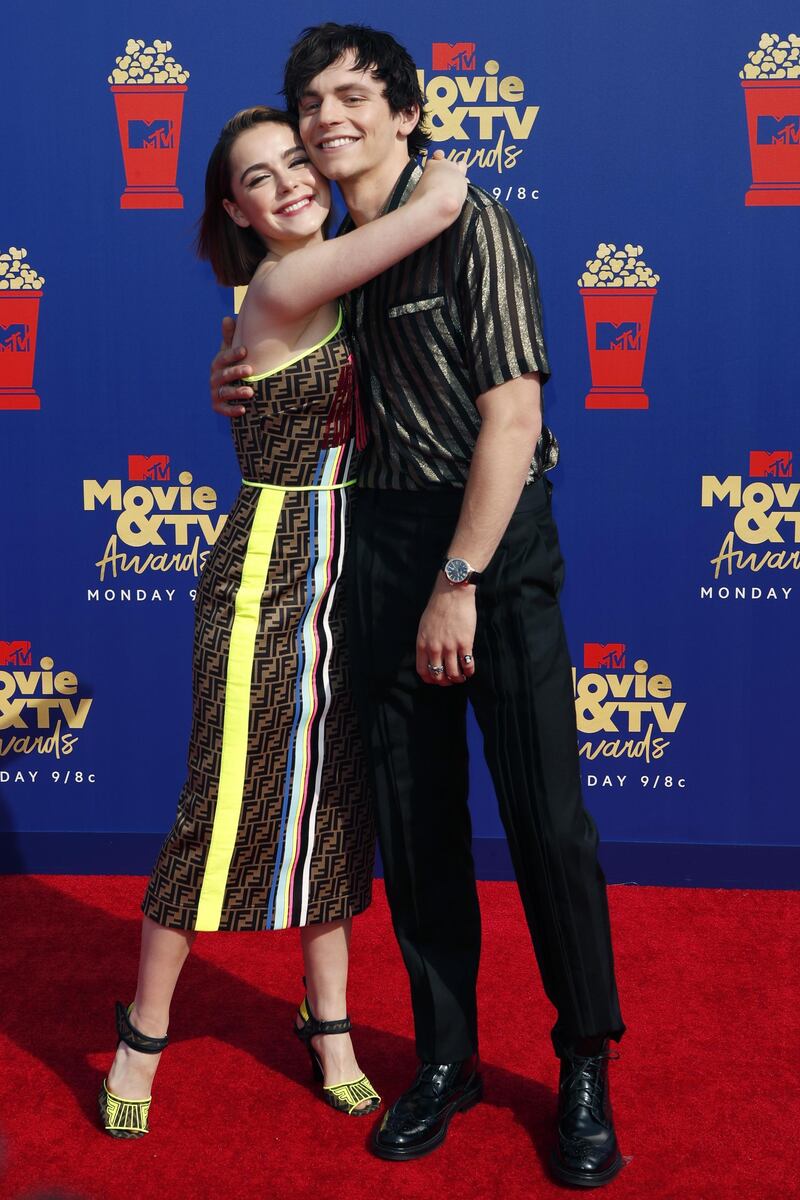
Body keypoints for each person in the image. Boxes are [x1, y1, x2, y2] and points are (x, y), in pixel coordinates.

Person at [212, 23, 626, 1189]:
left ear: (405, 111)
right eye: (309, 100)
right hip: (378, 550)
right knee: (417, 822)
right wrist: (229, 376)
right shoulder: (343, 248)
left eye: (352, 93)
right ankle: (446, 1059)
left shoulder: (471, 223)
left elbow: (512, 422)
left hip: (482, 546)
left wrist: (460, 582)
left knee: (546, 822)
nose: (324, 114)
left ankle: (584, 1058)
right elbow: (279, 366)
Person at [99, 103, 468, 1138]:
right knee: (220, 808)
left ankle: (331, 1024)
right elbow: (433, 201)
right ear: (236, 209)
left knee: (336, 811)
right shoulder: (278, 282)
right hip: (265, 578)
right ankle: (142, 1032)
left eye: (298, 160)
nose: (289, 182)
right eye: (260, 176)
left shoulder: (345, 274)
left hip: (358, 580)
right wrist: (421, 173)